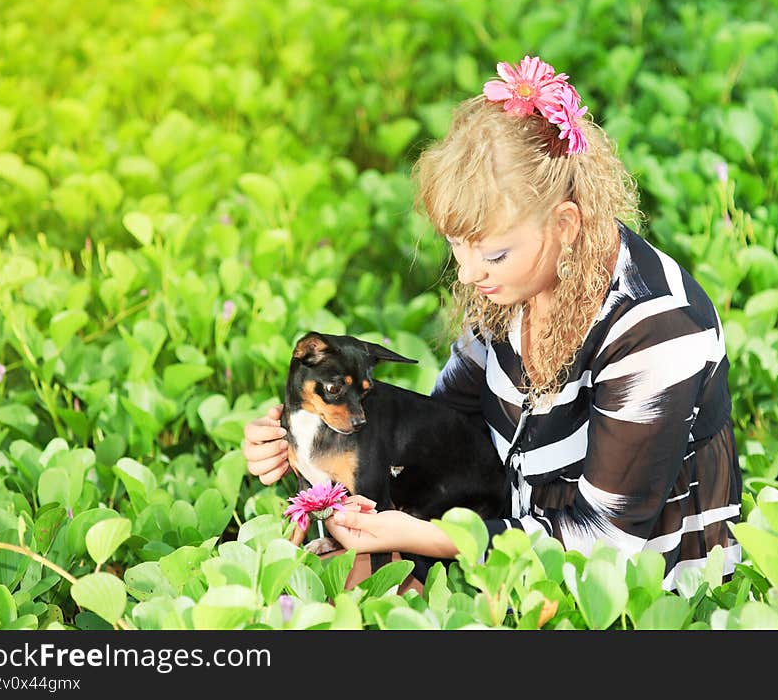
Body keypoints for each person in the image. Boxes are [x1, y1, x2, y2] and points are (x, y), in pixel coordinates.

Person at [243, 54, 742, 592]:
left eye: (494, 254)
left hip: (633, 594)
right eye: (456, 245)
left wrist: (429, 539)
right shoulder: (513, 286)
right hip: (499, 545)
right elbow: (445, 431)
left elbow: (605, 540)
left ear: (566, 224)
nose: (469, 271)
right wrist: (304, 441)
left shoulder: (657, 330)